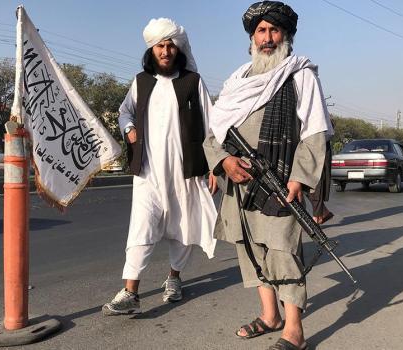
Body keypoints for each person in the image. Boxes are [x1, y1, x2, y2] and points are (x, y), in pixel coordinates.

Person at [203, 2, 333, 349]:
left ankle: (294, 330)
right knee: (251, 249)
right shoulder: (236, 81)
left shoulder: (298, 74)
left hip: (280, 181)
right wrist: (224, 162)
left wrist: (299, 179)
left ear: (286, 35)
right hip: (240, 183)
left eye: (274, 30)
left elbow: (315, 132)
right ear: (251, 38)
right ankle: (269, 315)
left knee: (282, 251)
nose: (267, 38)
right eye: (261, 31)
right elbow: (214, 133)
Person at [102, 18, 217, 316]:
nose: (165, 51)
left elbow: (211, 123)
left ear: (177, 49)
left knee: (183, 226)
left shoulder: (193, 81)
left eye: (170, 45)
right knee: (140, 227)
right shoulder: (141, 81)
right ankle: (131, 292)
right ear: (151, 50)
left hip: (185, 170)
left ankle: (174, 278)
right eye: (160, 46)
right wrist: (128, 129)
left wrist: (215, 166)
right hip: (148, 172)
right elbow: (124, 111)